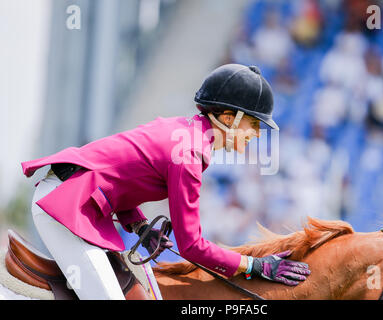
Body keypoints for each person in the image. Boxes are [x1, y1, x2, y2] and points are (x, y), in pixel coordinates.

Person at [21, 64, 311, 300]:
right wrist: (255, 266)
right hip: (65, 206)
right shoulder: (189, 152)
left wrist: (139, 225)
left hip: (76, 200)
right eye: (254, 124)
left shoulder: (182, 131)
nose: (257, 134)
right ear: (227, 117)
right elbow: (192, 247)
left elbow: (117, 180)